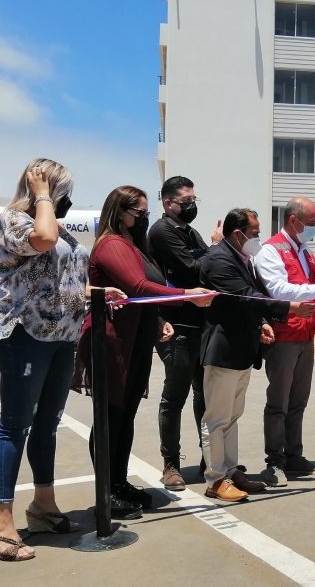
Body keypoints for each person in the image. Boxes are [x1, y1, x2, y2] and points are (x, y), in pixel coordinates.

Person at [73, 186, 214, 518]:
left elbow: (142, 294)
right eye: (139, 212)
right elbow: (136, 286)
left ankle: (119, 483)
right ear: (121, 213)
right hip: (111, 341)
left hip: (134, 339)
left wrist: (158, 319)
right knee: (111, 417)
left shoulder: (134, 246)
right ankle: (107, 491)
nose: (144, 218)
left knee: (125, 415)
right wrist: (186, 295)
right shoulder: (111, 245)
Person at [0, 158, 94, 561]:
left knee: (47, 426)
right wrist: (43, 195)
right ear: (41, 188)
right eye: (61, 190)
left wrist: (96, 291)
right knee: (14, 427)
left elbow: (65, 276)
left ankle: (43, 507)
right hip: (26, 335)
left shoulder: (57, 227)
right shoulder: (14, 221)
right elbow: (43, 241)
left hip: (62, 337)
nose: (66, 200)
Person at [198, 208, 315, 501]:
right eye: (254, 233)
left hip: (241, 351)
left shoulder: (243, 259)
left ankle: (230, 471)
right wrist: (289, 308)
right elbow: (247, 297)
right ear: (237, 234)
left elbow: (248, 302)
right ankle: (215, 479)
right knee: (216, 418)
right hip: (222, 352)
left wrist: (262, 323)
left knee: (231, 417)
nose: (258, 239)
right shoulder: (219, 260)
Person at [254, 197, 315, 486]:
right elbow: (278, 290)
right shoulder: (271, 250)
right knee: (278, 402)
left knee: (298, 401)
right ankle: (274, 462)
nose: (314, 228)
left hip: (305, 335)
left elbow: (309, 293)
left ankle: (294, 457)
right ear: (294, 221)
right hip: (284, 337)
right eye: (312, 223)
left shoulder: (305, 253)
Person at [148, 175, 219, 490]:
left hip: (200, 325)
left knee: (204, 395)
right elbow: (195, 268)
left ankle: (209, 459)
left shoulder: (189, 231)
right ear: (168, 203)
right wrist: (216, 248)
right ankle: (170, 465)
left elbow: (209, 267)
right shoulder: (162, 231)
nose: (192, 206)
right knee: (174, 396)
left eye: (194, 201)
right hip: (175, 327)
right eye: (186, 201)